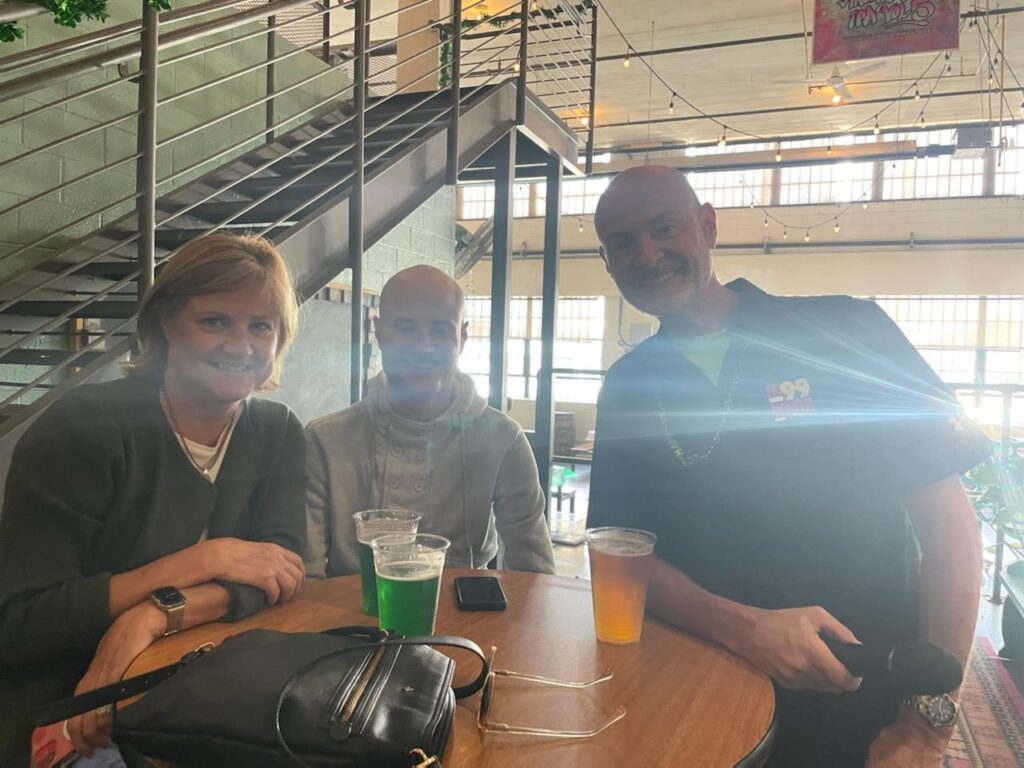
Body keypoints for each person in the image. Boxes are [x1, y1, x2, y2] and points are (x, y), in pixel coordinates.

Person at [588, 165, 989, 767]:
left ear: (708, 226)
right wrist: (744, 626)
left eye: (664, 228)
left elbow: (949, 527)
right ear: (608, 261)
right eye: (623, 243)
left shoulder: (845, 331)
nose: (647, 254)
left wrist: (925, 727)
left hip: (861, 699)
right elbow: (623, 554)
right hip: (697, 690)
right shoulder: (627, 386)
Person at [0, 234, 307, 766]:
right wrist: (205, 560)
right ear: (166, 321)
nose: (241, 346)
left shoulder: (277, 430)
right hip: (75, 707)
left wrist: (151, 616)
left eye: (261, 326)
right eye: (215, 321)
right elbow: (22, 624)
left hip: (209, 689)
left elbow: (279, 574)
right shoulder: (83, 427)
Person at [304, 264, 555, 578]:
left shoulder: (503, 440)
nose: (423, 346)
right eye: (406, 327)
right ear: (379, 332)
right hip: (342, 610)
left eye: (440, 329)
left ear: (463, 336)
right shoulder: (325, 440)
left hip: (465, 609)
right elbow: (305, 579)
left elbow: (535, 577)